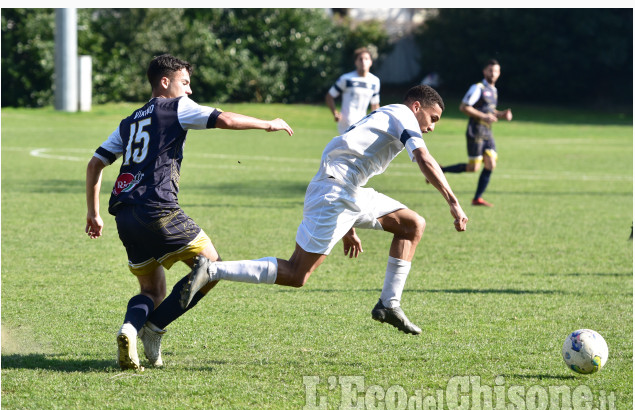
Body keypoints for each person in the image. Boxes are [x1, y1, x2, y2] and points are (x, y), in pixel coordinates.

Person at [181, 85, 468, 336]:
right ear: (416, 107)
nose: (431, 127)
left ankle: (389, 304)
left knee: (412, 224)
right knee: (296, 274)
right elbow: (423, 157)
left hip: (348, 190)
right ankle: (213, 269)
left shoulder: (390, 114)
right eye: (432, 119)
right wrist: (454, 202)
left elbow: (344, 152)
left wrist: (349, 225)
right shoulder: (404, 115)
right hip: (336, 192)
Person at [85, 54, 294, 371]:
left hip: (125, 215)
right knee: (213, 267)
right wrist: (268, 123)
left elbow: (95, 163)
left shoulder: (128, 122)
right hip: (159, 209)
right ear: (165, 82)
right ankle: (154, 328)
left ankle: (130, 328)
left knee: (151, 290)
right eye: (185, 83)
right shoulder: (175, 107)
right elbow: (224, 118)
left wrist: (93, 213)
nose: (190, 91)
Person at [441, 59, 512, 207]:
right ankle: (442, 170)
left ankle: (477, 198)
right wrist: (484, 116)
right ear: (484, 71)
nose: (493, 74)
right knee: (474, 168)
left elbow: (490, 111)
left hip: (487, 131)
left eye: (496, 71)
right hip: (475, 131)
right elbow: (464, 107)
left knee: (491, 163)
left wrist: (502, 114)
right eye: (490, 70)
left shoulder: (494, 90)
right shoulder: (477, 88)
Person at [325, 47, 381, 135]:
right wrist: (335, 113)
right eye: (360, 59)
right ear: (356, 62)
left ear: (370, 62)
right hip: (346, 124)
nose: (363, 62)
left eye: (366, 59)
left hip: (363, 123)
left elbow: (375, 105)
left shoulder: (375, 81)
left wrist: (376, 121)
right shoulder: (346, 79)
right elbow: (329, 96)